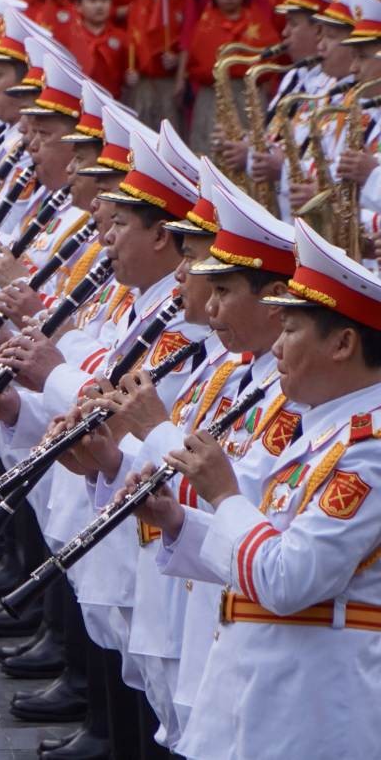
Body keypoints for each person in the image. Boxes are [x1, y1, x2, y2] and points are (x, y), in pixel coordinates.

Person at [140, 220, 381, 760]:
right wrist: (180, 521)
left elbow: (289, 578)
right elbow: (265, 546)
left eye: (291, 329)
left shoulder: (370, 451)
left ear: (343, 343)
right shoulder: (329, 431)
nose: (275, 344)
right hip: (266, 695)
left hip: (314, 708)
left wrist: (224, 495)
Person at [184, 0, 279, 149]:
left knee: (249, 145)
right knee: (212, 147)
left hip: (248, 95)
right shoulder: (206, 23)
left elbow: (270, 55)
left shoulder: (257, 21)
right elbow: (196, 60)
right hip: (213, 95)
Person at [124, 0, 187, 129]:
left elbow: (190, 45)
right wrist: (129, 71)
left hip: (168, 83)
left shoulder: (182, 5)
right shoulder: (136, 6)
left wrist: (176, 61)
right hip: (142, 84)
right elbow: (130, 43)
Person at [63, 0, 127, 96]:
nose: (99, 5)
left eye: (104, 0)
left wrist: (130, 78)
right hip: (78, 100)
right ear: (78, 6)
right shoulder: (70, 37)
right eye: (92, 1)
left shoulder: (122, 37)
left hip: (112, 102)